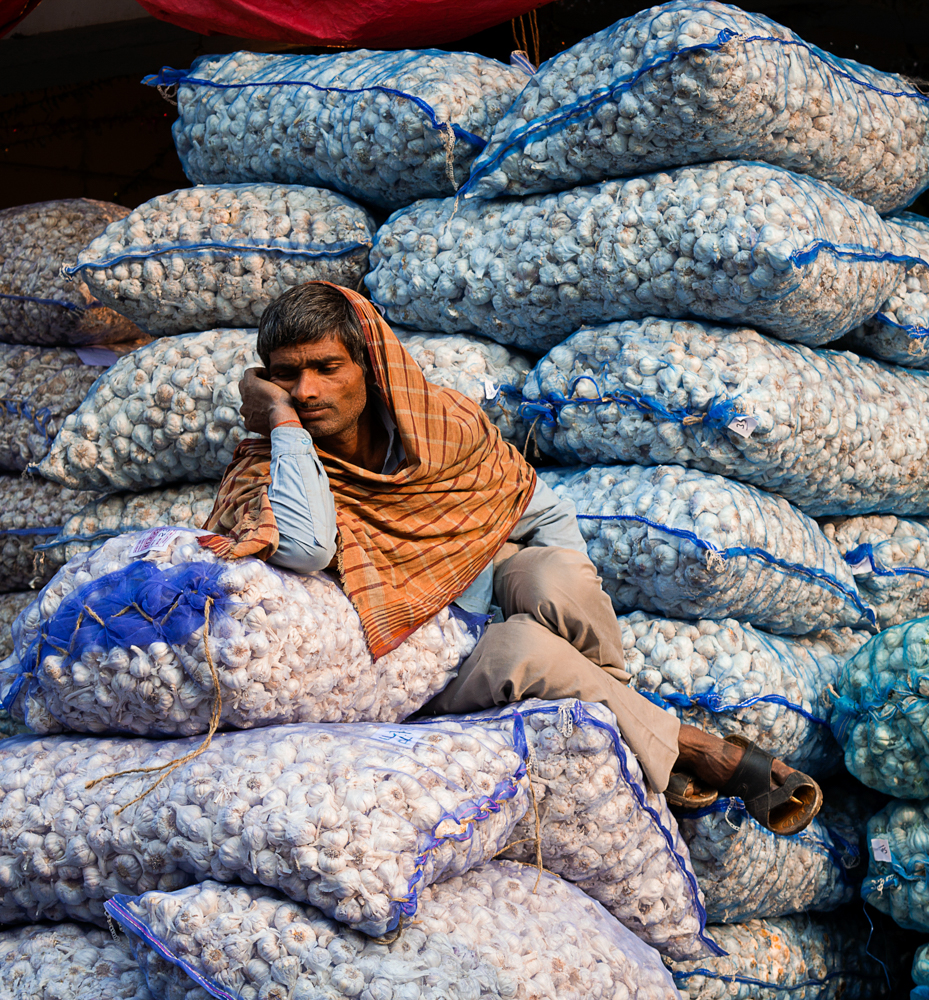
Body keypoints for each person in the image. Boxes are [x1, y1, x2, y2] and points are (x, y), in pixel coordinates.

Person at [201, 281, 822, 835]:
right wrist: (281, 424)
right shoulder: (274, 465)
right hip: (419, 657)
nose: (306, 391)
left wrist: (596, 673)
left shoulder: (439, 428)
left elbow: (545, 514)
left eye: (326, 368)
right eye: (286, 376)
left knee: (554, 574)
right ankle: (695, 749)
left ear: (370, 366)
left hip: (482, 599)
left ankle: (632, 729)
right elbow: (307, 549)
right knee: (525, 648)